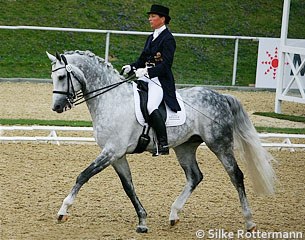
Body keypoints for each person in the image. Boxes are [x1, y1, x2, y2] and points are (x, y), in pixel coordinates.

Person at [122, 4, 181, 156]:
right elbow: (142, 59)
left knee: (151, 106)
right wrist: (132, 66)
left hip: (160, 81)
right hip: (145, 77)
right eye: (150, 16)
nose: (150, 19)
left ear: (162, 19)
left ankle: (163, 143)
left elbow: (166, 65)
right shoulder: (151, 37)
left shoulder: (168, 39)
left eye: (153, 16)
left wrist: (147, 71)